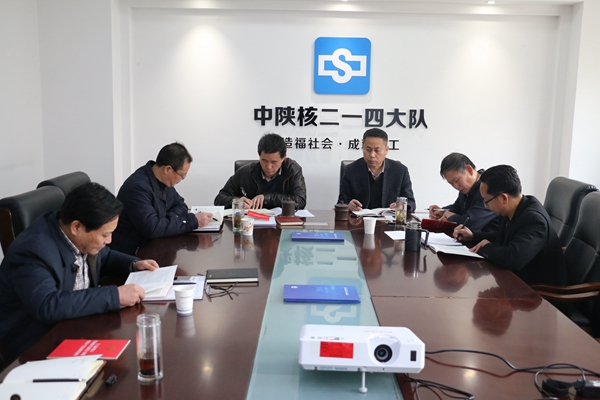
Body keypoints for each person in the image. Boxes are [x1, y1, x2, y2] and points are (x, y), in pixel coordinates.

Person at [0, 182, 159, 362]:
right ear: (76, 227)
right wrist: (115, 295)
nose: (109, 240)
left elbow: (105, 256)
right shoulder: (32, 251)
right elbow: (47, 305)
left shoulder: (77, 235)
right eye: (105, 234)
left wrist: (133, 264)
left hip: (77, 325)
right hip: (37, 345)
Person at [453, 165, 567, 286]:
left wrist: (486, 248)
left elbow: (513, 259)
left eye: (486, 201)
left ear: (503, 198)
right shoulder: (515, 207)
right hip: (517, 280)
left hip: (539, 290)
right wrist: (473, 236)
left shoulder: (534, 220)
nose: (486, 206)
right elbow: (505, 235)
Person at [111, 143, 212, 255]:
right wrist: (192, 221)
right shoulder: (138, 188)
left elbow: (181, 205)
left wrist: (166, 221)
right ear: (167, 169)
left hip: (154, 247)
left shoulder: (164, 182)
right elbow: (153, 229)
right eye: (182, 175)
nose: (181, 179)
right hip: (131, 255)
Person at [214, 133, 307, 209]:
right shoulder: (245, 173)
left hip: (282, 222)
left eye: (274, 162)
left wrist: (267, 198)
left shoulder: (292, 170)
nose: (269, 167)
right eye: (264, 160)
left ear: (283, 158)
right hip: (251, 223)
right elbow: (219, 199)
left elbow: (300, 201)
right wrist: (237, 201)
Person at [338, 128, 416, 212]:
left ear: (386, 150)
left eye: (377, 150)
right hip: (359, 219)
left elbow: (411, 203)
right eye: (368, 149)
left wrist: (401, 205)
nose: (372, 155)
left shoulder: (400, 171)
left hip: (389, 219)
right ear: (362, 148)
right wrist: (349, 205)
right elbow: (342, 201)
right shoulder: (351, 170)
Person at [428, 153, 499, 232]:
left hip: (492, 238)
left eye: (456, 180)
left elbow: (471, 223)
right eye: (451, 183)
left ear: (469, 170)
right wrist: (441, 211)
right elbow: (457, 208)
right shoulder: (467, 188)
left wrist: (450, 217)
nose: (455, 186)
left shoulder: (488, 188)